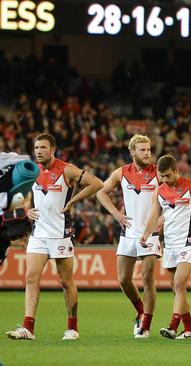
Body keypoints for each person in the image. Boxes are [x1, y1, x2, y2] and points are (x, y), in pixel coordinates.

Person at [6, 133, 103, 341]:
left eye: (42, 147)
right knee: (31, 278)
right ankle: (28, 328)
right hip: (38, 233)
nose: (38, 151)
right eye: (36, 147)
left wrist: (73, 201)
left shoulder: (66, 169)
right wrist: (26, 209)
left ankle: (72, 328)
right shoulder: (32, 171)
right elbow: (26, 197)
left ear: (53, 150)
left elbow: (96, 183)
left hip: (60, 234)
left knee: (66, 281)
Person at [140, 155, 191, 340]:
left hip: (189, 241)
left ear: (176, 170)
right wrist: (145, 234)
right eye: (162, 177)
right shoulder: (159, 191)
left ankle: (173, 326)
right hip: (170, 244)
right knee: (177, 289)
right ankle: (189, 330)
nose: (165, 180)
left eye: (168, 175)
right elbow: (154, 216)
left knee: (179, 283)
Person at [96, 134, 161, 338]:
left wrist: (160, 222)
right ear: (132, 152)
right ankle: (140, 311)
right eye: (142, 150)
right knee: (124, 279)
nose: (147, 153)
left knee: (148, 279)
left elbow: (172, 200)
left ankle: (146, 325)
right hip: (128, 233)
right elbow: (100, 192)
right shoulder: (122, 172)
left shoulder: (159, 174)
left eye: (149, 150)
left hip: (150, 234)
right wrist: (115, 213)